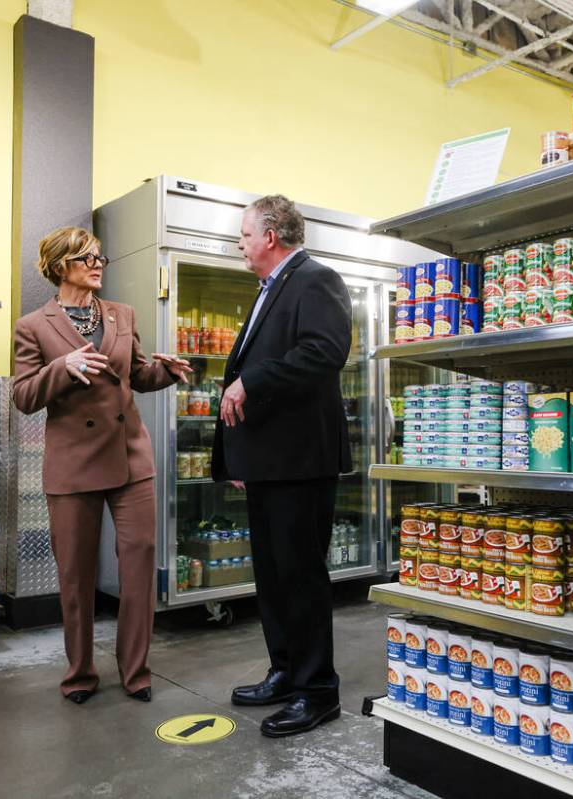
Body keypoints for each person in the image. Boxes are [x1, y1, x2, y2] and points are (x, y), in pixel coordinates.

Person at [12, 226, 192, 705]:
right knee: (75, 577)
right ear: (60, 265)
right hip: (73, 466)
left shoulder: (121, 314)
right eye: (86, 258)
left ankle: (136, 672)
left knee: (138, 566)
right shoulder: (34, 325)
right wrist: (60, 368)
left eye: (100, 258)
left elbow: (134, 375)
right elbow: (22, 396)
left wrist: (165, 373)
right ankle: (79, 674)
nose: (97, 264)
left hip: (131, 456)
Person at [211, 194, 352, 738]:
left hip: (301, 462)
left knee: (301, 577)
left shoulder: (316, 279)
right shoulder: (270, 288)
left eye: (244, 236)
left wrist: (252, 380)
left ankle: (317, 692)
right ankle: (286, 671)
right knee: (272, 578)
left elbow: (324, 351)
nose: (239, 245)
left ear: (270, 237)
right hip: (270, 461)